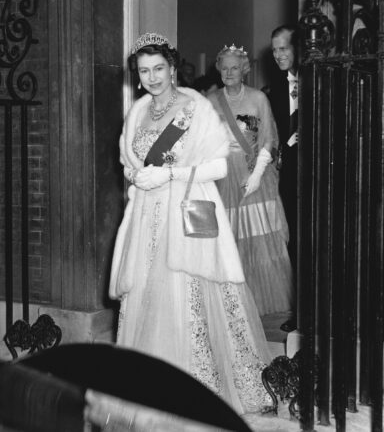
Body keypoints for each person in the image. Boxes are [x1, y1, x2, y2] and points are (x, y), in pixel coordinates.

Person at [101, 33, 271, 428]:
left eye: (159, 69)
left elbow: (219, 166)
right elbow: (129, 161)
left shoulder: (195, 109)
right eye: (144, 71)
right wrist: (136, 174)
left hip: (185, 212)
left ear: (173, 68)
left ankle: (195, 389)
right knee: (147, 296)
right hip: (146, 218)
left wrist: (169, 173)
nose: (152, 77)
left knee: (188, 295)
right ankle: (146, 386)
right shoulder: (138, 112)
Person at [207, 44, 293, 317]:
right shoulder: (210, 100)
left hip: (254, 173)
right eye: (224, 68)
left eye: (235, 67)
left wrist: (256, 175)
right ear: (218, 70)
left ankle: (259, 301)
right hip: (222, 177)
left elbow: (269, 137)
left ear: (244, 70)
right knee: (230, 238)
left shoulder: (258, 99)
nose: (229, 72)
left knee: (257, 236)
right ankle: (234, 303)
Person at [269, 25, 299, 333]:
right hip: (289, 175)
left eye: (283, 48)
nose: (278, 54)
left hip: (321, 171)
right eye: (275, 49)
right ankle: (302, 312)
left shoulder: (319, 78)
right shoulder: (275, 87)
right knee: (295, 241)